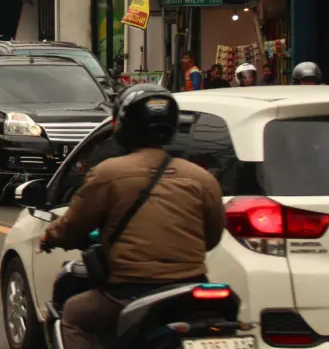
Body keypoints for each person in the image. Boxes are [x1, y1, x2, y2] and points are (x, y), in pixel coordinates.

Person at [39, 85, 225, 349]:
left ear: (124, 126)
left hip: (130, 292)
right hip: (191, 289)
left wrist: (50, 236)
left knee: (74, 315)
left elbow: (73, 226)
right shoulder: (202, 178)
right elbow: (212, 237)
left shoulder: (108, 173)